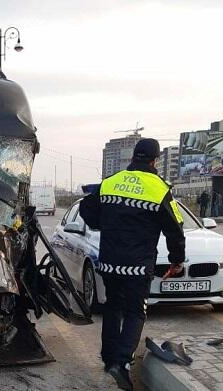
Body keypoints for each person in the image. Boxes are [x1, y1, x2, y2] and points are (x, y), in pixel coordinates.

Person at [79, 138, 185, 390]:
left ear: (133, 157)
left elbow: (86, 208)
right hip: (137, 266)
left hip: (109, 263)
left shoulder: (111, 182)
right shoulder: (159, 188)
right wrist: (176, 260)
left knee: (113, 307)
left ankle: (108, 358)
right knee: (136, 312)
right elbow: (175, 228)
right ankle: (122, 363)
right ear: (155, 160)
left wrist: (105, 224)